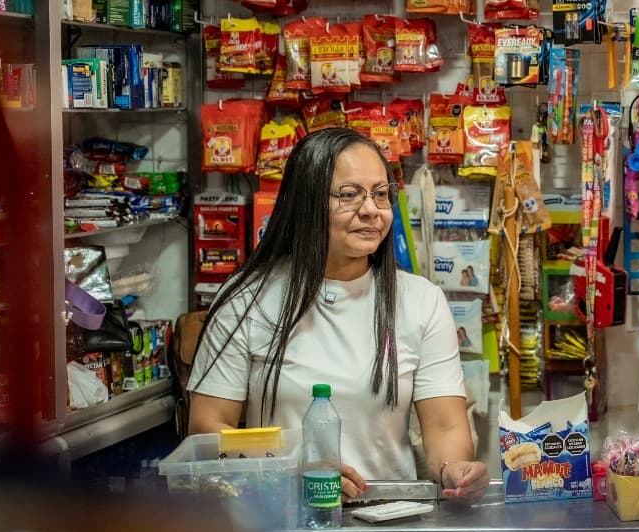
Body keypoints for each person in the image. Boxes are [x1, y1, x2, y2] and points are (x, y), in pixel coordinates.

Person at [188, 128, 488, 503]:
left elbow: (446, 426)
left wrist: (454, 469)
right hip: (280, 515)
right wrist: (291, 468)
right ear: (307, 202)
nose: (371, 210)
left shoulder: (420, 301)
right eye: (349, 195)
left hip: (389, 518)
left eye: (380, 195)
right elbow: (206, 428)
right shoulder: (247, 300)